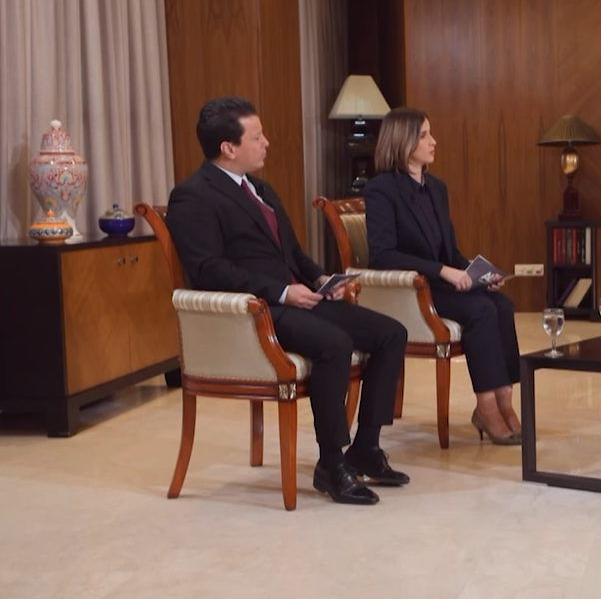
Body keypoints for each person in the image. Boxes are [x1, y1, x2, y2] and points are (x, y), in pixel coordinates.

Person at [166, 97, 410, 505]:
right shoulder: (192, 196)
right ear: (228, 147)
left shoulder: (260, 188)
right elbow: (209, 270)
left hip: (298, 299)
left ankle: (366, 447)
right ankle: (331, 464)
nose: (266, 143)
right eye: (257, 137)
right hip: (256, 312)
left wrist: (320, 279)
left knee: (391, 334)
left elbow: (292, 253)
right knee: (334, 344)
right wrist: (280, 292)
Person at [364, 107, 523, 446]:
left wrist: (479, 273)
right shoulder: (381, 189)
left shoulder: (436, 188)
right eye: (424, 135)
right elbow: (382, 255)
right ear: (403, 141)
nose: (433, 141)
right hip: (413, 292)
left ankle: (505, 401)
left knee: (502, 305)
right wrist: (441, 270)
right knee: (481, 310)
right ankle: (486, 407)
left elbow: (450, 252)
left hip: (442, 284)